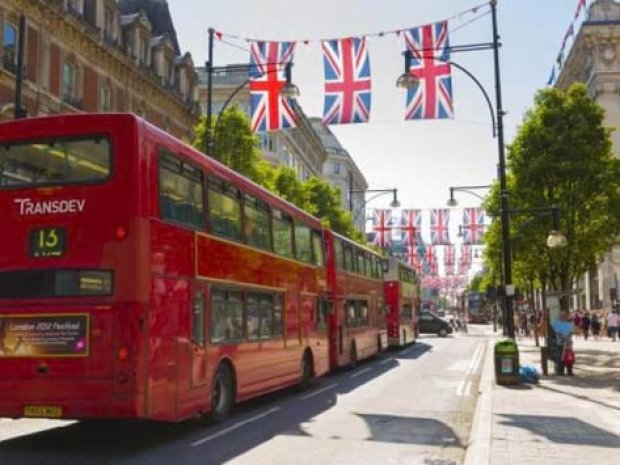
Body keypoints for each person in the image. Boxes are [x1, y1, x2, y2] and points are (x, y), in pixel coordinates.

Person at [552, 309, 574, 376]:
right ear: (560, 316)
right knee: (560, 357)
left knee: (569, 357)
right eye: (562, 315)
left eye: (565, 315)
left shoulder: (569, 324)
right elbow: (557, 332)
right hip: (560, 343)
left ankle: (569, 371)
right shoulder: (556, 323)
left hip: (568, 344)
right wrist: (563, 337)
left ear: (567, 316)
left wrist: (568, 337)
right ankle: (560, 371)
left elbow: (571, 332)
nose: (563, 316)